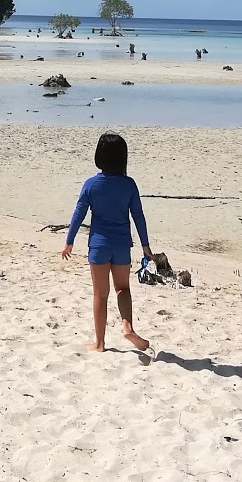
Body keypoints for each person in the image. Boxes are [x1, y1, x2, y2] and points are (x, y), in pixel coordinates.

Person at [61, 132, 153, 352]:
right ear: (123, 157)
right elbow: (138, 216)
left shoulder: (91, 184)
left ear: (99, 157)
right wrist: (145, 245)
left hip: (99, 246)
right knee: (123, 289)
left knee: (100, 295)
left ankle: (100, 343)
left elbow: (78, 214)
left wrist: (69, 241)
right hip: (121, 246)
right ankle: (127, 327)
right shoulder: (129, 184)